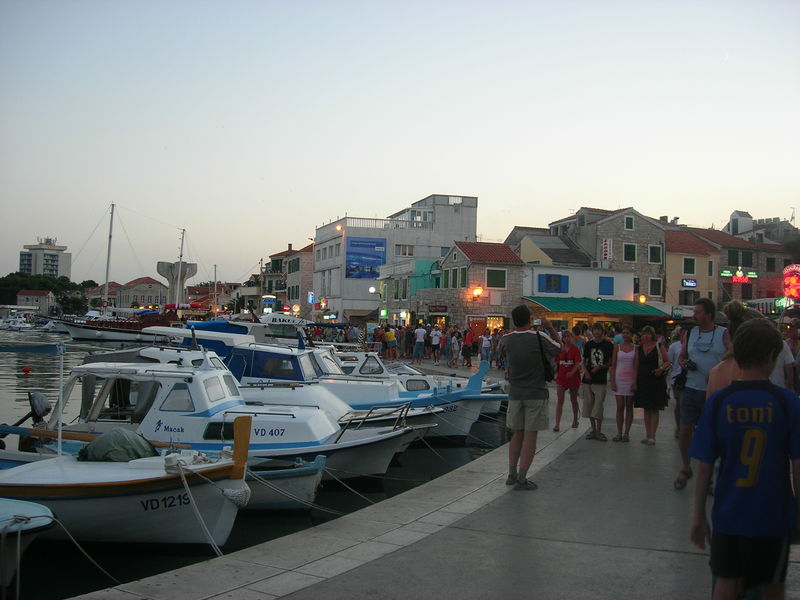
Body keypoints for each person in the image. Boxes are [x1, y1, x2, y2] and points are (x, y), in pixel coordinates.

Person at [689, 318, 800, 600]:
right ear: (773, 356)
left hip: (729, 514)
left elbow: (704, 467)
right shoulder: (788, 404)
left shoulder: (719, 402)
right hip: (773, 515)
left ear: (736, 354)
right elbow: (798, 466)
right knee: (772, 586)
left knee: (725, 583)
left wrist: (698, 514)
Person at [500, 305, 561, 490]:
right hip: (536, 392)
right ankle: (522, 478)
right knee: (530, 436)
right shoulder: (538, 337)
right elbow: (559, 348)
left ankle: (511, 474)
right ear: (529, 319)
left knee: (516, 433)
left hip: (515, 393)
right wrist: (549, 327)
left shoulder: (506, 339)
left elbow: (501, 352)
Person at [675, 298, 731, 491]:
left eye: (698, 312)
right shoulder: (691, 333)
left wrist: (718, 372)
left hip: (714, 392)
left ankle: (709, 475)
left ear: (709, 314)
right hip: (691, 388)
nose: (694, 315)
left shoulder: (723, 334)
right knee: (684, 431)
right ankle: (686, 466)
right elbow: (682, 355)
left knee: (712, 435)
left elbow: (732, 357)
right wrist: (684, 363)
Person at [632, 325, 671, 445]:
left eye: (648, 333)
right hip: (643, 380)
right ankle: (647, 434)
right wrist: (634, 382)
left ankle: (653, 435)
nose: (646, 336)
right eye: (644, 334)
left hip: (656, 380)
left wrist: (660, 369)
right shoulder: (639, 348)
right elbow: (636, 366)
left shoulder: (659, 346)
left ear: (652, 335)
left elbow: (667, 361)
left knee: (654, 408)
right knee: (646, 409)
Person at [582, 323, 614, 441]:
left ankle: (599, 430)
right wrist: (586, 372)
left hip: (600, 378)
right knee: (589, 404)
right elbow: (584, 361)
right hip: (588, 379)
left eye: (598, 330)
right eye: (594, 329)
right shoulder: (589, 344)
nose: (596, 332)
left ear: (602, 331)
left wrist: (600, 367)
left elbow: (610, 362)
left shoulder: (608, 345)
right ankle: (593, 429)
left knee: (599, 405)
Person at [609, 325, 636, 442]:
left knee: (629, 406)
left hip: (630, 379)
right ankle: (619, 432)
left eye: (628, 333)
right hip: (619, 379)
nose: (625, 335)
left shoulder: (636, 348)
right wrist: (612, 380)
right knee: (620, 407)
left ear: (631, 335)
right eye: (624, 333)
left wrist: (635, 382)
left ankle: (627, 433)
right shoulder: (617, 347)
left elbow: (636, 366)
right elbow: (613, 364)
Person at [553, 330, 581, 432]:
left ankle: (575, 419)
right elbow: (557, 362)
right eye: (565, 337)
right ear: (563, 338)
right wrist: (555, 372)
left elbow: (577, 363)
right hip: (562, 377)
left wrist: (572, 372)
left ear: (572, 337)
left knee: (574, 400)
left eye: (569, 336)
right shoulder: (560, 349)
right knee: (560, 400)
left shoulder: (575, 349)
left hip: (573, 378)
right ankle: (557, 424)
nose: (567, 338)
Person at [667, 329, 685, 439]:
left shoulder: (693, 345)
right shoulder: (674, 346)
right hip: (677, 379)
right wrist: (669, 383)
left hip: (690, 379)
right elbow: (670, 362)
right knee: (679, 403)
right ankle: (679, 427)